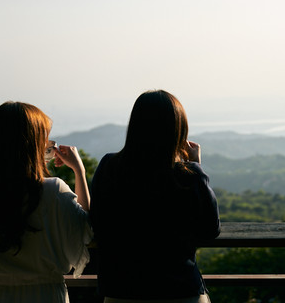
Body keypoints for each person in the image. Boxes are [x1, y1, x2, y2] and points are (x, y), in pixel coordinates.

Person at [90, 90, 221, 303]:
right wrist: (194, 166)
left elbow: (96, 221)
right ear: (178, 129)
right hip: (180, 290)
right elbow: (210, 229)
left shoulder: (109, 167)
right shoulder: (187, 176)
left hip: (122, 290)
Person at [0, 101, 93, 303]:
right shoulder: (54, 191)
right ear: (33, 143)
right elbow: (83, 229)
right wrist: (79, 172)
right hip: (44, 295)